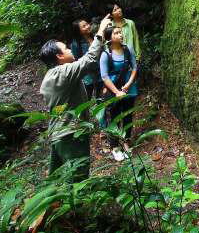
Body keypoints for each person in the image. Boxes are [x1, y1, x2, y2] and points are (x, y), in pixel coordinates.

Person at [39, 14, 112, 181]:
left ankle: (55, 205)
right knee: (79, 178)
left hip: (59, 133)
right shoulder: (62, 73)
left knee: (56, 179)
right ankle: (79, 206)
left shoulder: (51, 76)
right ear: (59, 56)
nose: (70, 49)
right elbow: (90, 59)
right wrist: (100, 30)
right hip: (71, 134)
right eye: (66, 48)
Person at [100, 25, 138, 156]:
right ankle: (115, 146)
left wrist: (128, 84)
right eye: (116, 33)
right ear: (109, 38)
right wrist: (116, 92)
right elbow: (104, 76)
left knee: (128, 115)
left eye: (120, 32)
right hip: (113, 88)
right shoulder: (105, 55)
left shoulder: (128, 49)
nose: (120, 35)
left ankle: (126, 140)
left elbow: (134, 68)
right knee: (114, 117)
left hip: (129, 87)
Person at [70, 19, 101, 98]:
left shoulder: (95, 38)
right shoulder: (75, 44)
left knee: (100, 97)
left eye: (87, 24)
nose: (88, 26)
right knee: (87, 98)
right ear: (78, 31)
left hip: (100, 72)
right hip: (87, 75)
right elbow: (76, 61)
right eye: (84, 26)